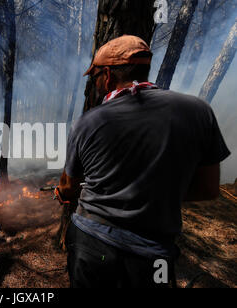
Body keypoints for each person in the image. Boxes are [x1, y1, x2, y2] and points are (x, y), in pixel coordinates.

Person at [56, 35, 231, 288]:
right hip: (155, 254)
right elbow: (208, 189)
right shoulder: (198, 111)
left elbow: (68, 187)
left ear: (107, 75)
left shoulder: (89, 122)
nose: (95, 84)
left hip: (93, 245)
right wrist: (152, 195)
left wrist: (64, 193)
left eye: (95, 78)